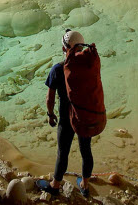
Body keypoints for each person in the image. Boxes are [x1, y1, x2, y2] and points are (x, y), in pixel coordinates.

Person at [36, 30, 94, 198]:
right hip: (84, 116)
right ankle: (85, 185)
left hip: (66, 118)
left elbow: (50, 97)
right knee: (86, 150)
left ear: (64, 49)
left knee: (63, 152)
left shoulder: (57, 69)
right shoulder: (88, 65)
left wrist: (50, 114)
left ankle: (55, 185)